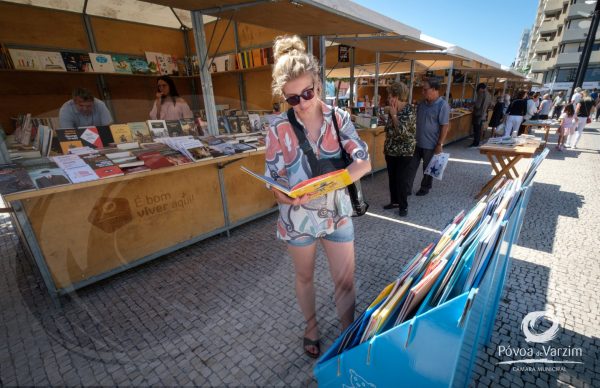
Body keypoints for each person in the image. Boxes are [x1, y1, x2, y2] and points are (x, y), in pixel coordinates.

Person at [264, 35, 371, 358]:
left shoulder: (339, 119)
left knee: (345, 280)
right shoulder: (277, 129)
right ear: (284, 96)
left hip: (336, 212)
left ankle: (347, 332)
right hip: (298, 219)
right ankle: (311, 328)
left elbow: (363, 162)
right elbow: (274, 179)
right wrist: (285, 197)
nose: (303, 102)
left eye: (308, 93)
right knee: (304, 276)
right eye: (293, 98)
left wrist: (334, 181)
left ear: (318, 84)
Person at [407, 78, 450, 196]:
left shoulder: (442, 105)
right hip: (416, 142)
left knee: (428, 169)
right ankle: (407, 189)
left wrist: (439, 144)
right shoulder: (422, 103)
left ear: (435, 89)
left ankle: (425, 188)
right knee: (410, 167)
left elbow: (445, 126)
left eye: (425, 89)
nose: (422, 92)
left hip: (431, 145)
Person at [382, 81, 416, 217]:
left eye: (390, 96)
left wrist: (394, 115)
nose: (389, 99)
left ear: (397, 96)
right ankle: (394, 201)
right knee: (392, 178)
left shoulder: (409, 111)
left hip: (404, 152)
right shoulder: (392, 109)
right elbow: (389, 129)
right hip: (391, 150)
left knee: (401, 180)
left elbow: (402, 131)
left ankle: (403, 206)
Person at [469, 83, 492, 147]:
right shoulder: (489, 95)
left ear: (481, 89)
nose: (478, 91)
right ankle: (477, 142)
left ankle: (475, 143)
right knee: (479, 129)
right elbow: (490, 105)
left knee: (476, 129)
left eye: (478, 89)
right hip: (484, 114)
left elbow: (478, 105)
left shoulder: (481, 94)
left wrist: (473, 104)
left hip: (478, 114)